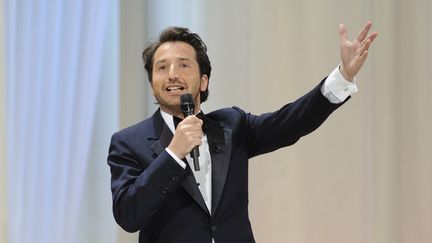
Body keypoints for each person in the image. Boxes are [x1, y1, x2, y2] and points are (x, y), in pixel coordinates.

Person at [107, 22, 378, 243]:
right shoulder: (128, 142)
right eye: (162, 67)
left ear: (204, 81)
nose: (173, 74)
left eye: (184, 65)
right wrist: (173, 154)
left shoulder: (231, 125)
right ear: (152, 83)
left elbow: (291, 122)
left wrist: (342, 77)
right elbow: (128, 216)